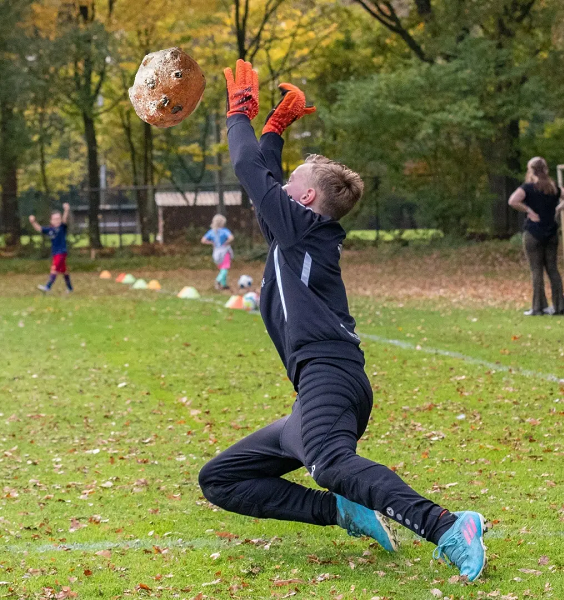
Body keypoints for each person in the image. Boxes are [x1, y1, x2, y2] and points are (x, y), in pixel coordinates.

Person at [198, 60, 488, 581]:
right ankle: (344, 511)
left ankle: (446, 525)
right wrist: (273, 131)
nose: (278, 187)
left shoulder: (304, 231)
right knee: (221, 479)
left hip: (331, 375)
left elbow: (246, 167)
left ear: (306, 199)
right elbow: (260, 170)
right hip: (317, 386)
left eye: (289, 183)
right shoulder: (294, 233)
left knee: (330, 465)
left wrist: (239, 114)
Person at [508, 157, 564, 315]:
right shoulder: (553, 188)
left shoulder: (528, 188)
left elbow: (512, 201)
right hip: (551, 233)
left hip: (533, 233)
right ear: (546, 169)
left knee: (536, 270)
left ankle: (538, 307)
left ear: (530, 170)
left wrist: (528, 211)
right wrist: (558, 208)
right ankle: (559, 306)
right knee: (553, 269)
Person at [29, 203, 74, 294]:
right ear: (51, 220)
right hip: (55, 253)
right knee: (64, 271)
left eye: (58, 219)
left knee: (54, 269)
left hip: (61, 252)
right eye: (55, 219)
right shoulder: (50, 230)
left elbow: (65, 220)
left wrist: (66, 210)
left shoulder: (62, 228)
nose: (57, 221)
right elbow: (39, 228)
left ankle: (48, 287)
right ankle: (70, 288)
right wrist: (33, 222)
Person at [201, 214, 234, 290]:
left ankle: (224, 284)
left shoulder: (212, 232)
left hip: (216, 252)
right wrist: (226, 242)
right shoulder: (225, 231)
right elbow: (231, 238)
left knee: (222, 268)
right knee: (225, 268)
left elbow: (203, 240)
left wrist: (211, 243)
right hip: (225, 251)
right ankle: (218, 280)